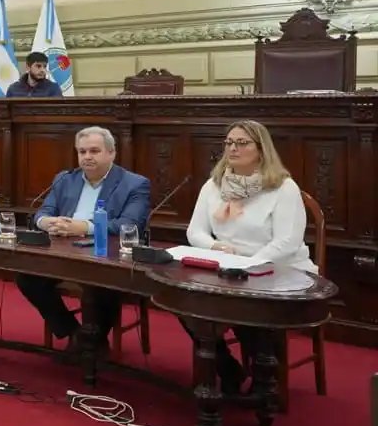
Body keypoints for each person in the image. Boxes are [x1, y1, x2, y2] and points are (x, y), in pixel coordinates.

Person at [183, 120, 314, 393]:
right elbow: (195, 231)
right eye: (229, 142)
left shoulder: (282, 188)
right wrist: (215, 247)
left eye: (241, 143)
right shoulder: (214, 185)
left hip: (280, 268)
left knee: (247, 306)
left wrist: (248, 265)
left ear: (261, 149)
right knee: (185, 301)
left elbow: (287, 242)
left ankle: (265, 378)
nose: (233, 148)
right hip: (228, 265)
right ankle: (228, 368)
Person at [16, 127, 150, 354]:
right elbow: (42, 212)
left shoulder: (135, 184)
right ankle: (74, 332)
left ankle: (95, 341)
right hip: (61, 250)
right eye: (82, 151)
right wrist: (48, 222)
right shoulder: (65, 179)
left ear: (111, 153)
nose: (87, 157)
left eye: (95, 151)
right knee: (27, 277)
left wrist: (85, 227)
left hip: (106, 253)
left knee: (100, 285)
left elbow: (129, 225)